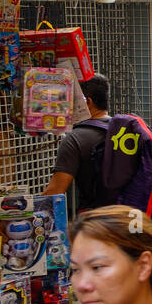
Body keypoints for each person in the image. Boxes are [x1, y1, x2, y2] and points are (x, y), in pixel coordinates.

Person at [43, 73, 112, 214]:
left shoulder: (75, 138)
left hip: (94, 223)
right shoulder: (124, 130)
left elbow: (55, 192)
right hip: (128, 219)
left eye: (71, 100)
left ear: (87, 102)